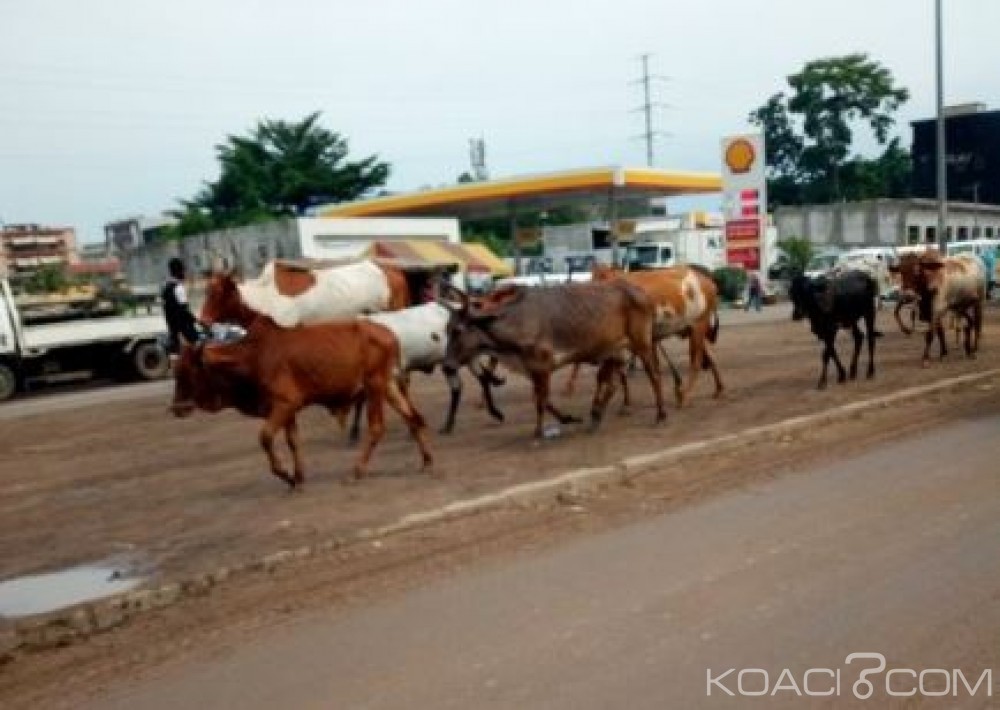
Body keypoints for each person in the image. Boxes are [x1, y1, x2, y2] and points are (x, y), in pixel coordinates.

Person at [162, 257, 201, 354]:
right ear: (179, 271)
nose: (185, 273)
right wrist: (198, 321)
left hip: (174, 331)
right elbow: (184, 310)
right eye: (183, 270)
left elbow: (168, 311)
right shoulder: (179, 288)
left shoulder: (166, 288)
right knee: (201, 348)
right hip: (185, 330)